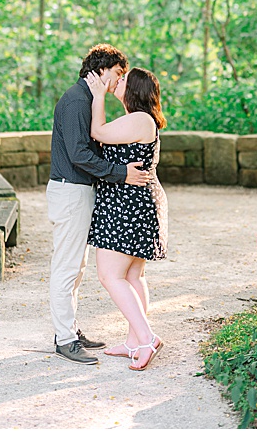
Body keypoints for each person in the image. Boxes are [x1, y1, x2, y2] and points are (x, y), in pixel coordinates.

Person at [45, 44, 154, 366]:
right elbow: (80, 154)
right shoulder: (78, 101)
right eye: (118, 73)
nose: (118, 81)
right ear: (102, 69)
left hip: (78, 191)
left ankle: (70, 330)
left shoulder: (86, 99)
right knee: (66, 268)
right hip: (70, 191)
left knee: (75, 269)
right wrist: (120, 174)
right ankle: (64, 339)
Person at [85, 66, 168, 370]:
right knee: (133, 276)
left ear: (133, 90)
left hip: (128, 206)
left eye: (123, 80)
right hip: (133, 203)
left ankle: (146, 338)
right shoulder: (140, 119)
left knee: (110, 275)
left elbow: (98, 132)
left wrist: (97, 96)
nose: (117, 82)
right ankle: (134, 340)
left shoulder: (140, 119)